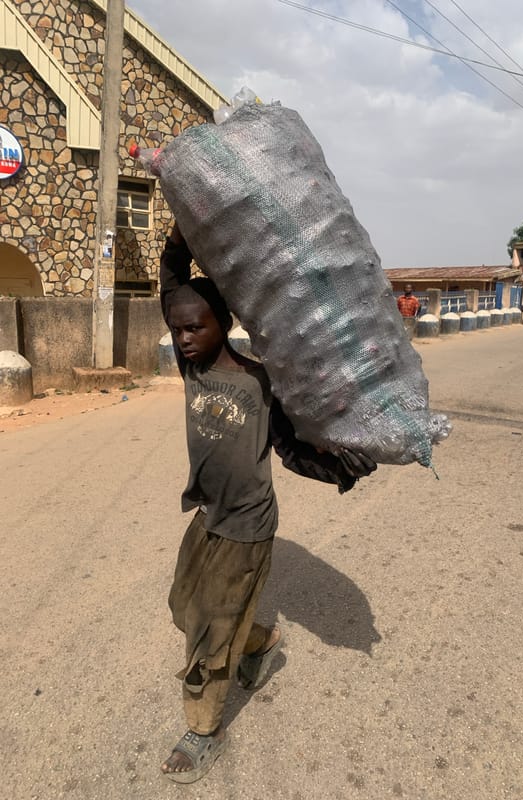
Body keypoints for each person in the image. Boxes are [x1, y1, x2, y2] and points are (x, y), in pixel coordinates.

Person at [158, 222, 376, 784]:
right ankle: (261, 640)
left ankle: (202, 730)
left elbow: (291, 447)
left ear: (221, 326)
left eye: (194, 327)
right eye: (178, 328)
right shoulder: (193, 369)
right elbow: (171, 282)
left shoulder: (259, 381)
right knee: (184, 608)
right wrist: (181, 237)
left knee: (207, 633)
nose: (183, 337)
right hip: (206, 514)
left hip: (249, 526)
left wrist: (341, 467)